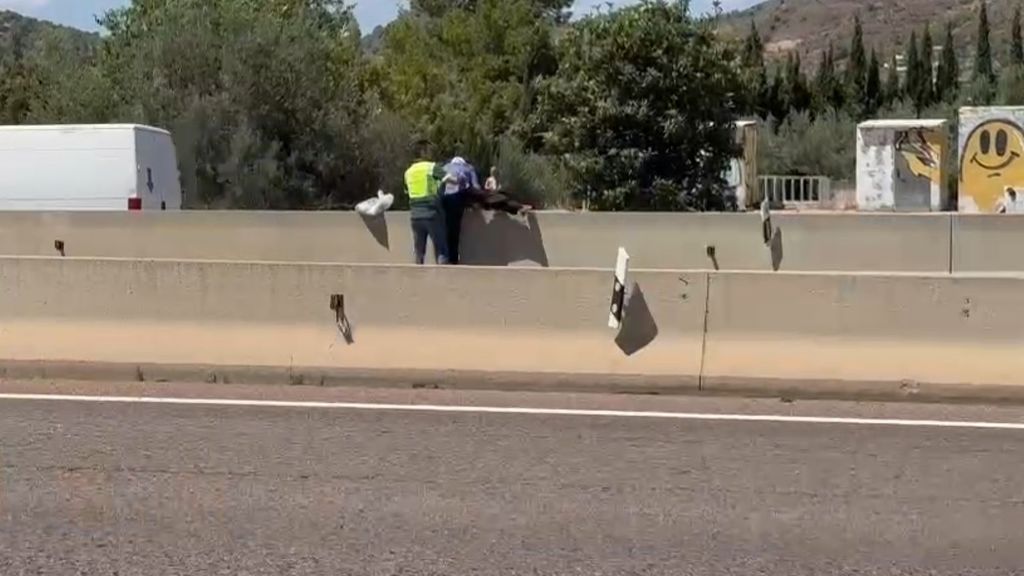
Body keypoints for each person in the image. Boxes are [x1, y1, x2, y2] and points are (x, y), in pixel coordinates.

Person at [405, 156, 457, 265]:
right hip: (432, 213)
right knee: (441, 250)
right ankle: (443, 279)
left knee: (419, 252)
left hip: (415, 216)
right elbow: (451, 179)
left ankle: (417, 278)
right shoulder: (431, 167)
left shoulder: (408, 172)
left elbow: (407, 191)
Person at [441, 156, 482, 265]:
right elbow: (475, 187)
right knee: (454, 230)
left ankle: (447, 257)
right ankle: (453, 259)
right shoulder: (468, 168)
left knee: (446, 229)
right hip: (457, 199)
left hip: (444, 200)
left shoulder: (444, 167)